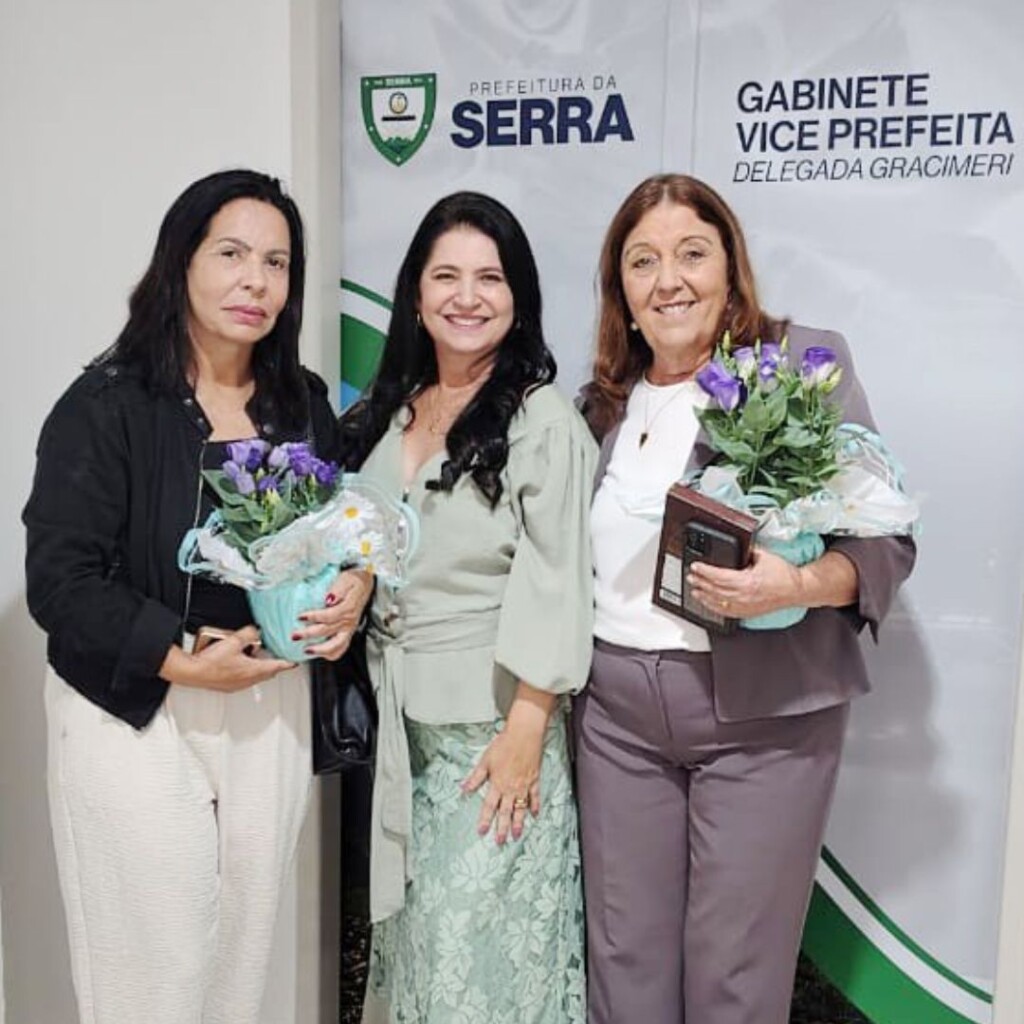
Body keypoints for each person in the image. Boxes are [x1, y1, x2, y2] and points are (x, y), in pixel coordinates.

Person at [23, 169, 369, 1024]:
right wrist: (177, 659)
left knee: (236, 975)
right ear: (181, 261)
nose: (257, 281)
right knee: (153, 978)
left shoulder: (302, 404)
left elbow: (333, 537)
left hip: (267, 706)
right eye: (233, 254)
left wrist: (353, 587)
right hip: (135, 706)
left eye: (278, 262)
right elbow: (60, 582)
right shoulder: (104, 407)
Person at [574, 173, 916, 1024]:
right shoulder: (598, 409)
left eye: (693, 253)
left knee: (736, 980)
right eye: (643, 261)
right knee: (625, 970)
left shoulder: (803, 366)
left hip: (765, 723)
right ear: (621, 289)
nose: (670, 280)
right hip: (615, 724)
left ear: (731, 267)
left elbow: (884, 540)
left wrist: (797, 582)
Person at [338, 191, 594, 1023]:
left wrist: (529, 729)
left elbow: (558, 575)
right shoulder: (394, 409)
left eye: (490, 277)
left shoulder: (539, 419)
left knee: (479, 976)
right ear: (415, 293)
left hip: (495, 744)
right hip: (404, 740)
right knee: (418, 963)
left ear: (518, 298)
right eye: (445, 275)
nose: (467, 295)